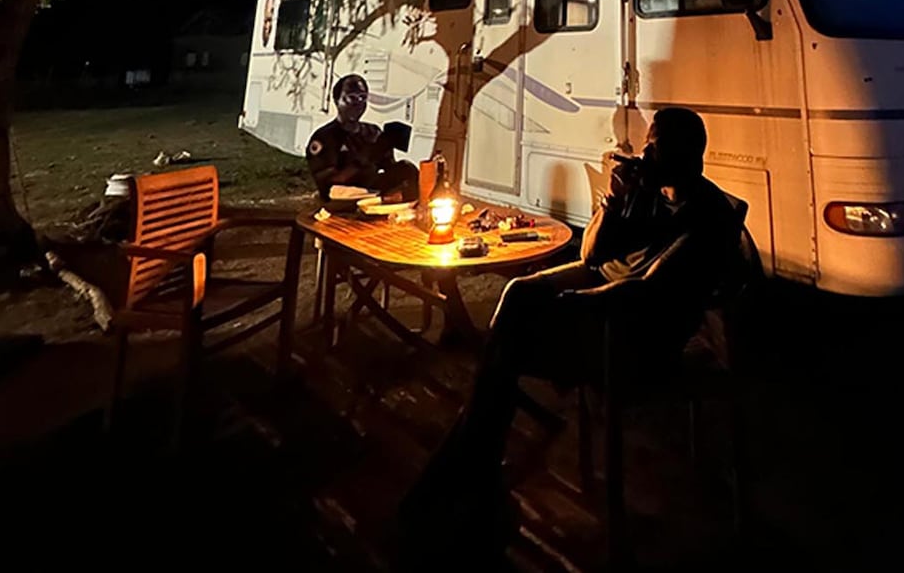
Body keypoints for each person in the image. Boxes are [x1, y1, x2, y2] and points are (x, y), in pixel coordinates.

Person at [390, 107, 744, 563]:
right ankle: (472, 475)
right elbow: (592, 255)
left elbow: (646, 291)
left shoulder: (708, 217)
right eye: (648, 145)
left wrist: (567, 305)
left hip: (636, 336)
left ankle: (462, 479)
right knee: (518, 299)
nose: (646, 155)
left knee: (504, 357)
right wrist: (613, 201)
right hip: (603, 307)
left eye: (657, 147)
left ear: (690, 155)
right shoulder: (649, 194)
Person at [306, 74, 418, 201]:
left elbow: (390, 169)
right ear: (337, 100)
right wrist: (365, 157)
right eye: (352, 98)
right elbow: (330, 185)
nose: (358, 103)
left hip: (371, 194)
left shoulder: (372, 132)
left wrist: (387, 144)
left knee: (407, 168)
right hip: (342, 200)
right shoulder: (324, 137)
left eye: (363, 98)